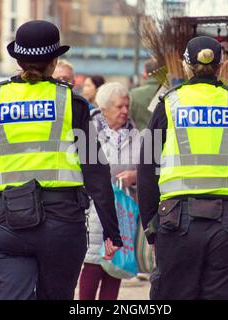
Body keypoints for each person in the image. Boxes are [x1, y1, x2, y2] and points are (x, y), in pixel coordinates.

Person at [0, 20, 122, 300]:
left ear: (17, 59)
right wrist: (111, 232)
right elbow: (95, 171)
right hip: (63, 227)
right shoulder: (71, 103)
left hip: (5, 226)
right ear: (54, 61)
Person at [137, 36, 228, 300]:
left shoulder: (168, 105)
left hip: (175, 223)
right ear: (221, 66)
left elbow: (146, 170)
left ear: (186, 66)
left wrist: (152, 231)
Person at [79, 82, 139, 300]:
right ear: (103, 109)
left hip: (123, 211)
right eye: (119, 107)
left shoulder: (136, 135)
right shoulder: (87, 133)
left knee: (115, 269)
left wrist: (135, 176)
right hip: (94, 212)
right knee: (93, 267)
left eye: (127, 106)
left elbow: (147, 169)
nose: (125, 111)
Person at [129, 59, 160, 130]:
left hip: (141, 137)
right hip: (164, 138)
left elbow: (129, 120)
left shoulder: (134, 94)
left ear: (145, 74)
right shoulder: (170, 92)